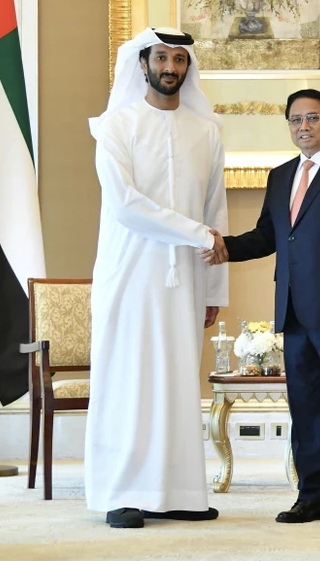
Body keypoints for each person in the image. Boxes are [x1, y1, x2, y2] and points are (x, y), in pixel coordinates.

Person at [202, 89, 320, 528]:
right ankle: (313, 497)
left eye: (311, 118)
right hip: (294, 309)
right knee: (305, 408)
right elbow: (269, 235)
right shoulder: (282, 175)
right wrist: (224, 248)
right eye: (294, 120)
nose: (302, 127)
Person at [86, 27, 228, 529]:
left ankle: (181, 493)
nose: (171, 68)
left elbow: (217, 212)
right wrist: (197, 234)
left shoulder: (206, 131)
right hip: (130, 273)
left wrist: (215, 289)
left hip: (187, 278)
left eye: (180, 60)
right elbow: (126, 206)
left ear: (188, 69)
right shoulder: (115, 126)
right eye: (162, 58)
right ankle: (121, 492)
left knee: (176, 380)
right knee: (130, 379)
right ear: (142, 63)